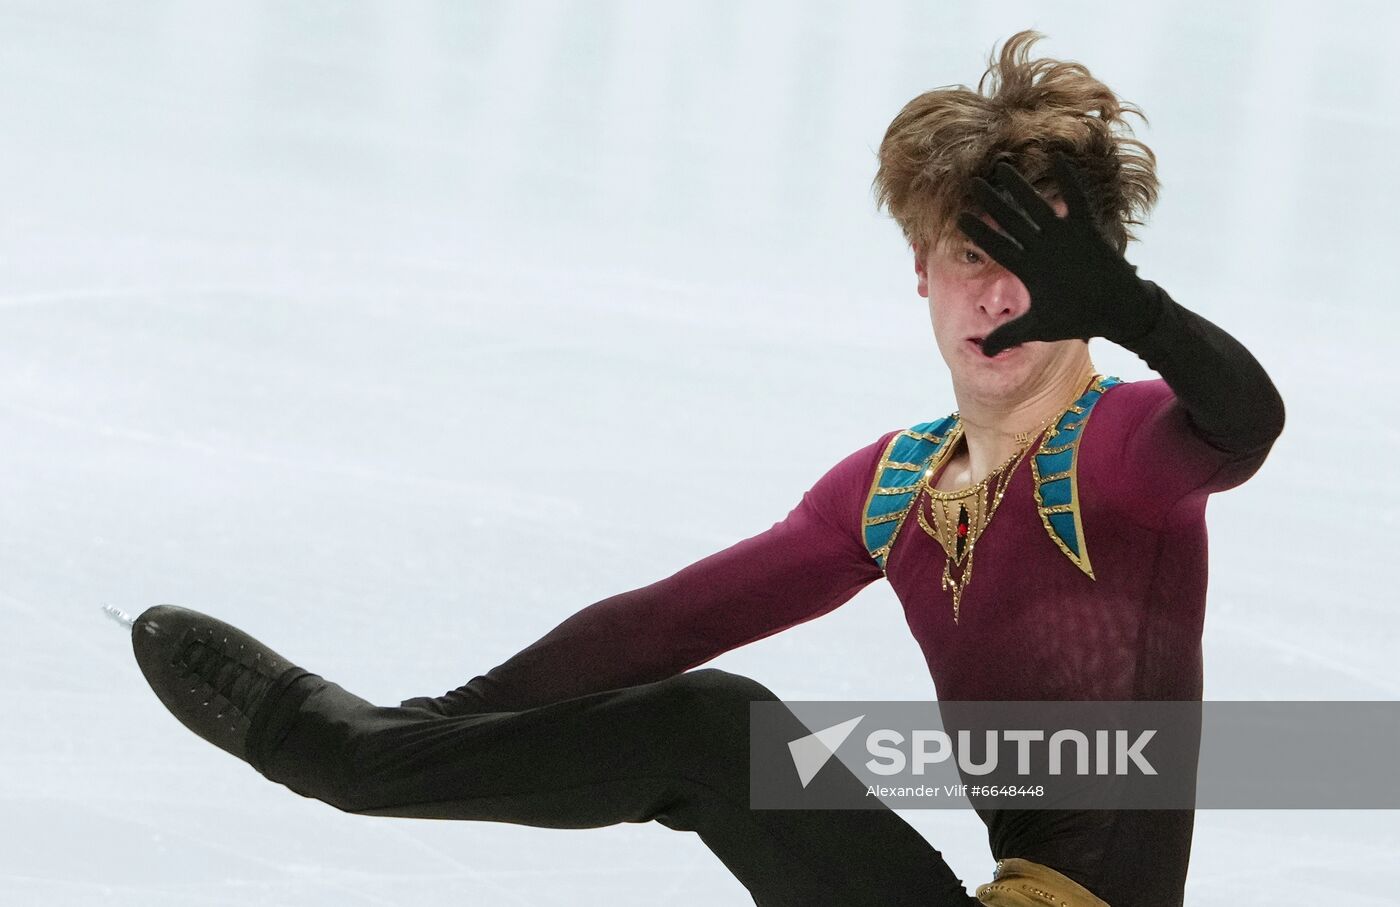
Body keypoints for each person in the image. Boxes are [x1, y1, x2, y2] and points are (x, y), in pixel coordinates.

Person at [127, 30, 1284, 907]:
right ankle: (366, 752)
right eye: (970, 255)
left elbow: (1240, 422)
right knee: (707, 726)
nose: (1000, 294)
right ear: (919, 275)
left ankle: (340, 756)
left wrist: (1134, 310)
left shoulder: (1121, 445)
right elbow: (660, 629)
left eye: (1044, 266)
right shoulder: (890, 490)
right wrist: (444, 721)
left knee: (715, 732)